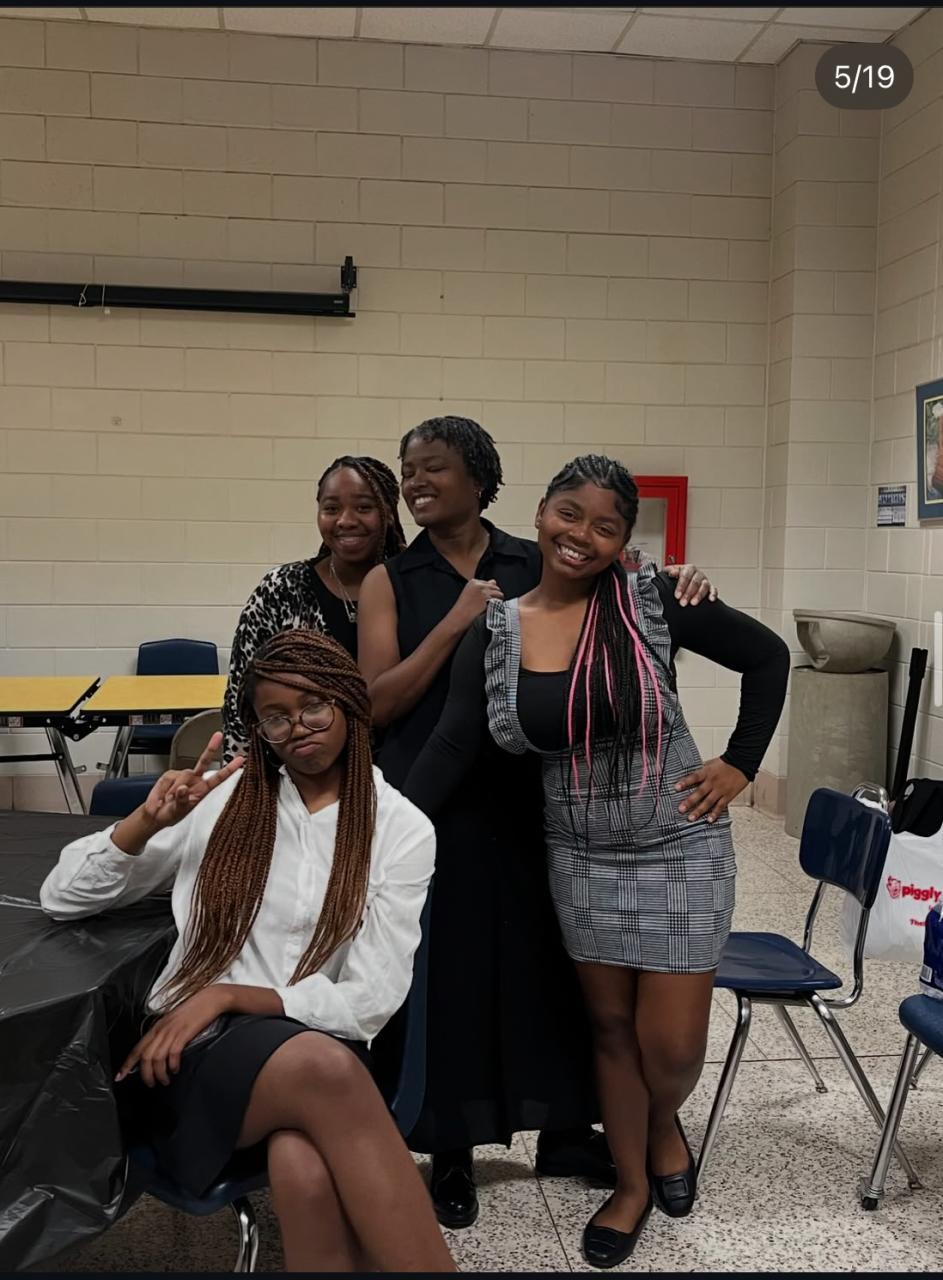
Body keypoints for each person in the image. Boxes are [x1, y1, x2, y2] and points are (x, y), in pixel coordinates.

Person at [401, 454, 790, 1267]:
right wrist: (375, 827)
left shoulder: (652, 600)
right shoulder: (498, 628)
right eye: (568, 514)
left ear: (622, 541)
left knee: (670, 1050)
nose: (581, 535)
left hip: (678, 845)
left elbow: (766, 658)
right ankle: (631, 1183)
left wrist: (739, 764)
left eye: (605, 526)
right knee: (610, 1031)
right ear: (541, 514)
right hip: (580, 857)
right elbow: (452, 743)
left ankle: (658, 1122)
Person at [357, 416, 717, 1230]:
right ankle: (451, 1147)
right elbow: (377, 703)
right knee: (450, 977)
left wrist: (684, 578)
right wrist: (456, 621)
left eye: (433, 468)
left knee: (557, 978)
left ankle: (568, 1129)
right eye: (408, 469)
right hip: (438, 796)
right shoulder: (395, 577)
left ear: (479, 479)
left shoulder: (535, 556)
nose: (416, 482)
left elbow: (636, 601)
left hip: (543, 798)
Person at [40, 630, 455, 1275]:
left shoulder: (400, 828)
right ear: (259, 728)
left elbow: (370, 1000)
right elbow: (63, 897)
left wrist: (229, 994)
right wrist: (146, 823)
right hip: (190, 1058)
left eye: (314, 707)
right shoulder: (222, 801)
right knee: (324, 1071)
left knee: (302, 1162)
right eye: (276, 717)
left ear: (348, 702)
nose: (298, 729)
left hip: (309, 1050)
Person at [223, 455, 406, 762]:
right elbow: (241, 697)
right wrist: (244, 777)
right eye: (331, 509)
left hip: (400, 772)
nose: (345, 520)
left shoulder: (413, 587)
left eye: (364, 507)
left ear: (388, 513)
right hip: (300, 773)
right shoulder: (281, 589)